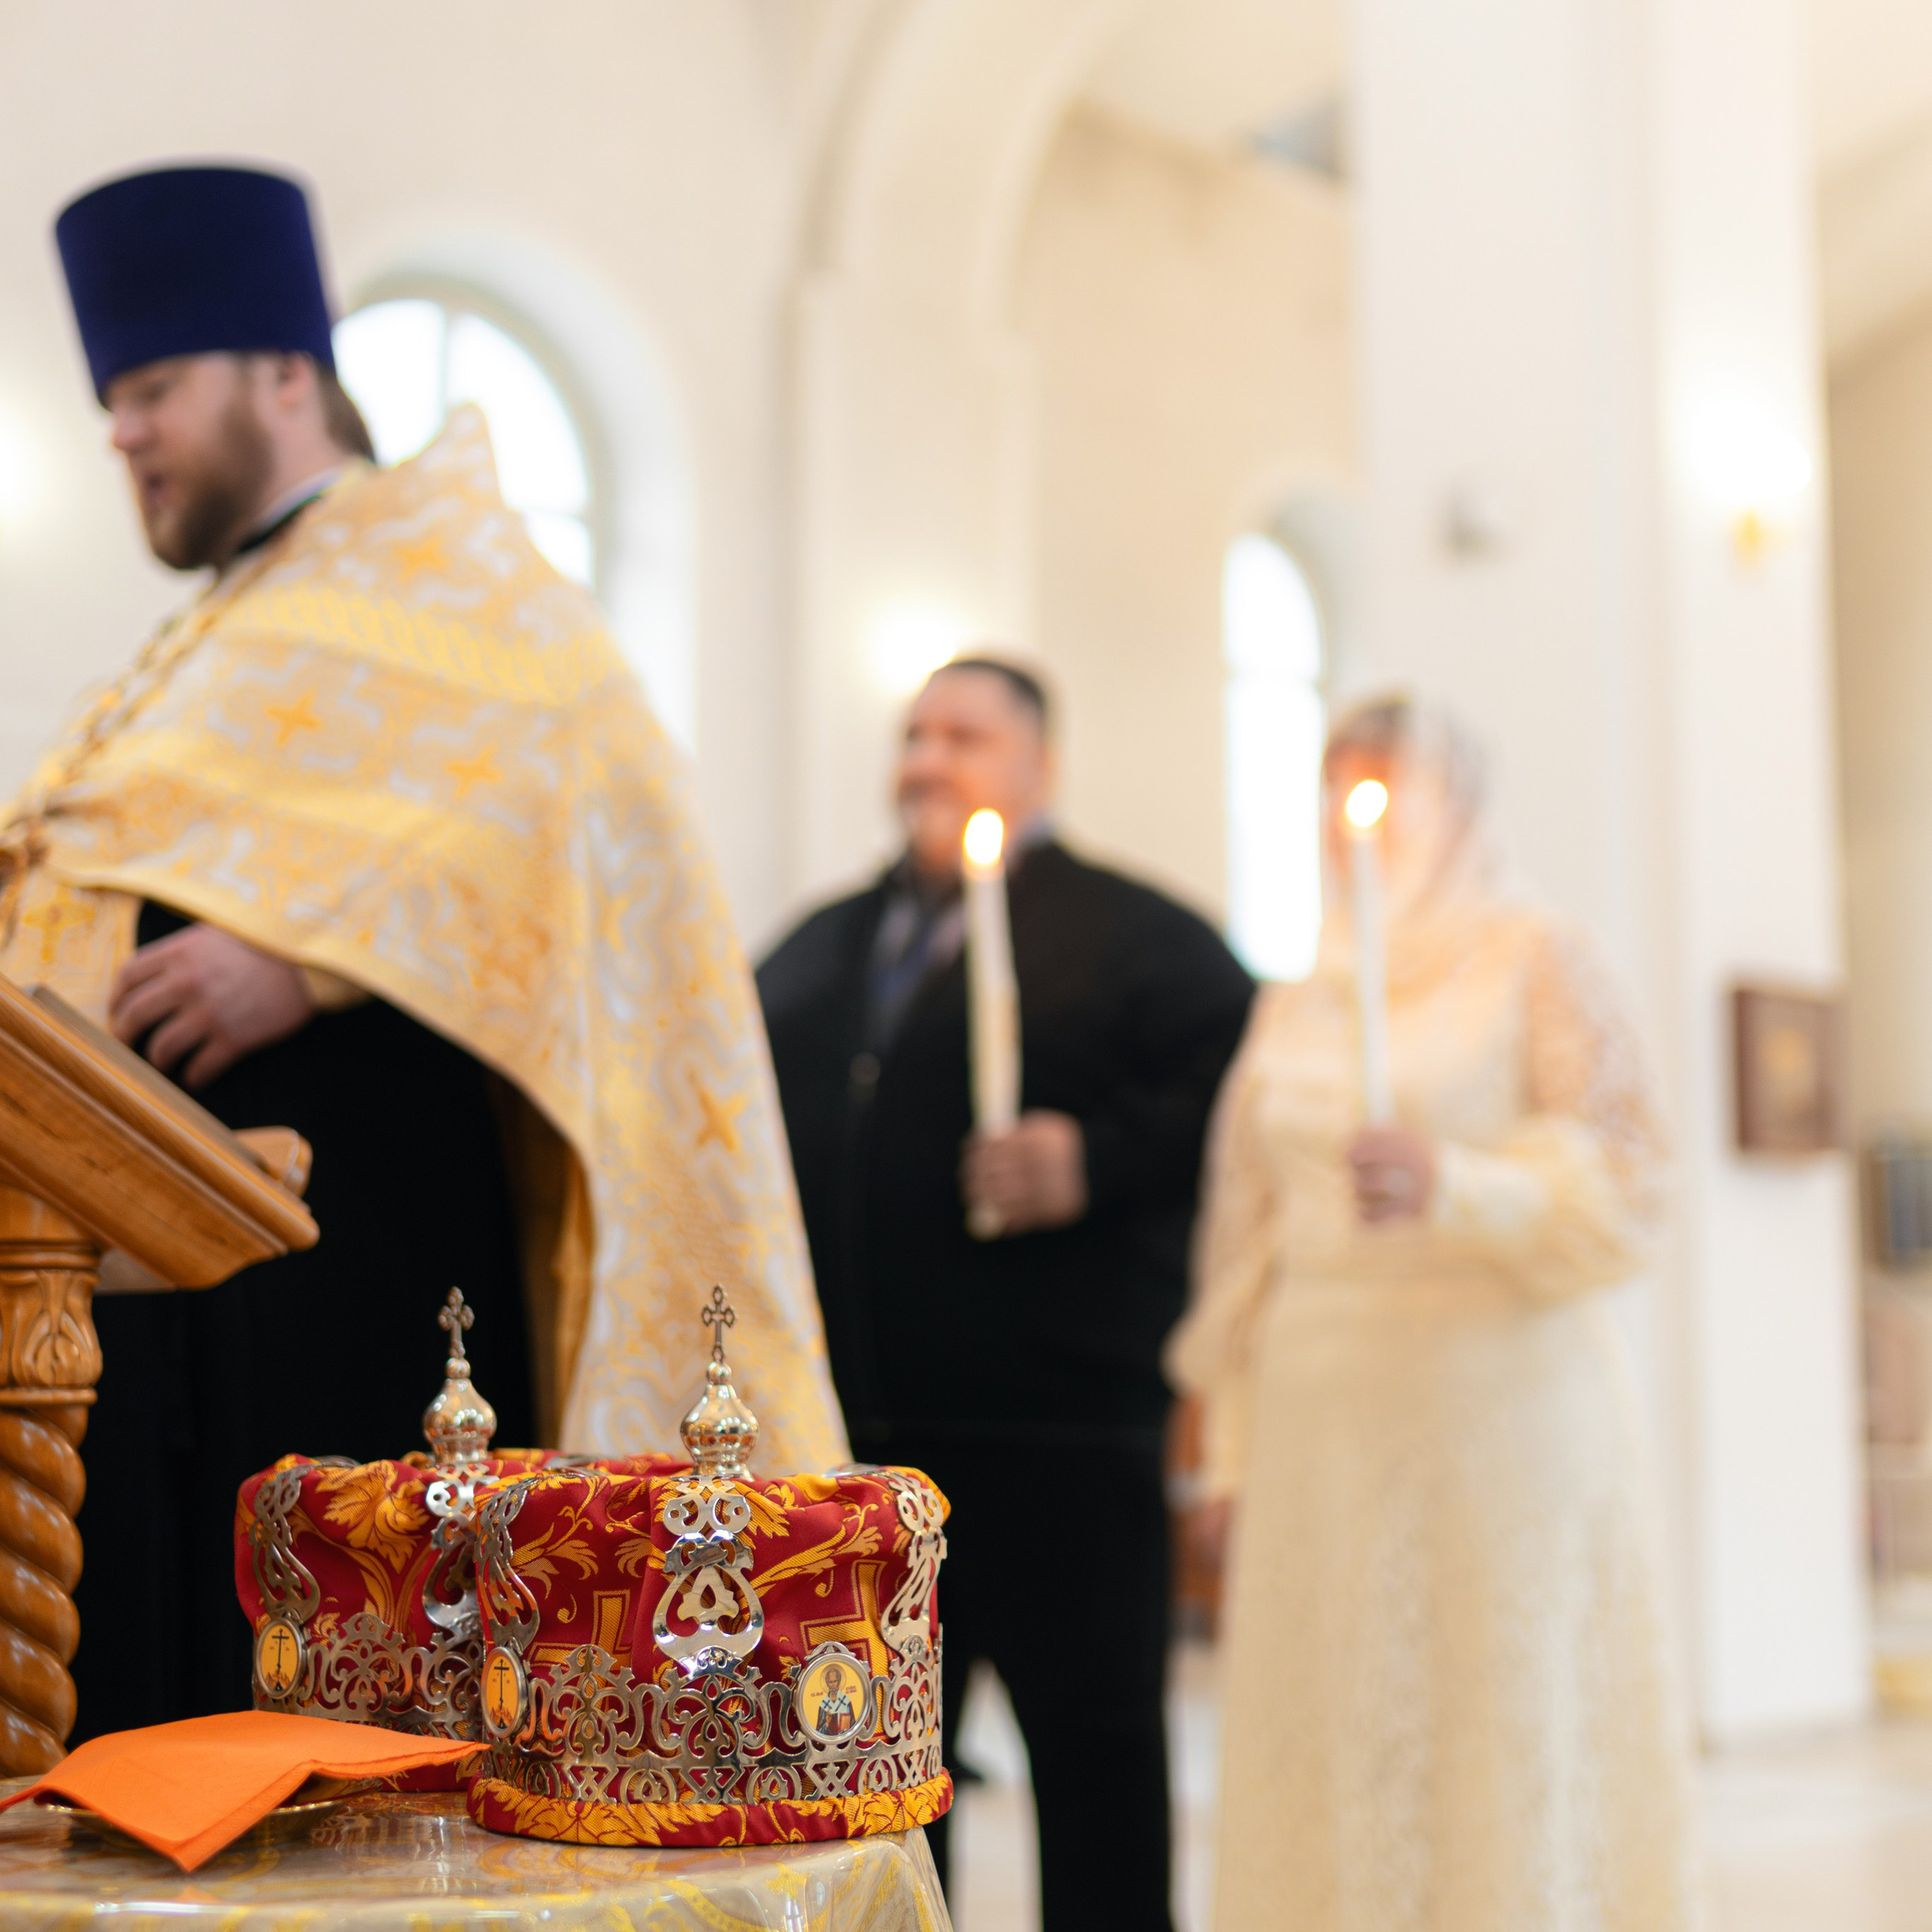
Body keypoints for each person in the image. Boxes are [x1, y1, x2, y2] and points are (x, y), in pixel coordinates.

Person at [3, 162, 845, 1739]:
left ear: (285, 375)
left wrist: (319, 957)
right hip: (130, 1305)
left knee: (323, 1731)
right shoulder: (215, 630)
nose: (121, 428)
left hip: (353, 1279)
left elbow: (586, 803)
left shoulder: (462, 582)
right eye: (111, 395)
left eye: (153, 386)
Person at [1169, 696, 1695, 1931]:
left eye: (1385, 789)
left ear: (1457, 808)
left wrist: (1458, 1183)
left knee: (1488, 1727)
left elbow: (1637, 1174)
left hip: (1498, 1412)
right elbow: (1246, 1246)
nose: (1353, 820)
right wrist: (1228, 1456)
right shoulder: (1296, 997)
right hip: (1319, 1418)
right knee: (1334, 1722)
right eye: (1335, 787)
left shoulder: (1534, 953)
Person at [757, 657, 1254, 1931]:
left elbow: (1245, 1107)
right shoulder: (823, 945)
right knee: (873, 1779)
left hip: (1063, 1439)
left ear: (1042, 764)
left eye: (966, 734)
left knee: (1091, 1771)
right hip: (863, 1452)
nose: (930, 758)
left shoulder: (1142, 938)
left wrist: (1097, 1159)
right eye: (916, 734)